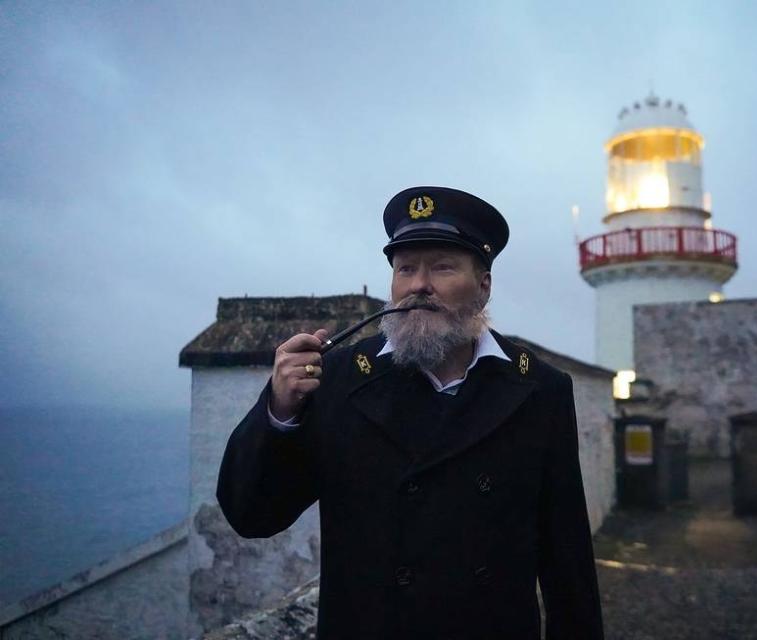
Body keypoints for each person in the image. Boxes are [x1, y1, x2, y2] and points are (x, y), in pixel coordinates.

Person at [217, 186, 604, 640]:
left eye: (442, 266)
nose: (419, 284)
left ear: (483, 287)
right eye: (405, 268)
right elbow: (252, 515)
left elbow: (567, 561)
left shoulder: (540, 390)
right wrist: (279, 410)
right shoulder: (339, 379)